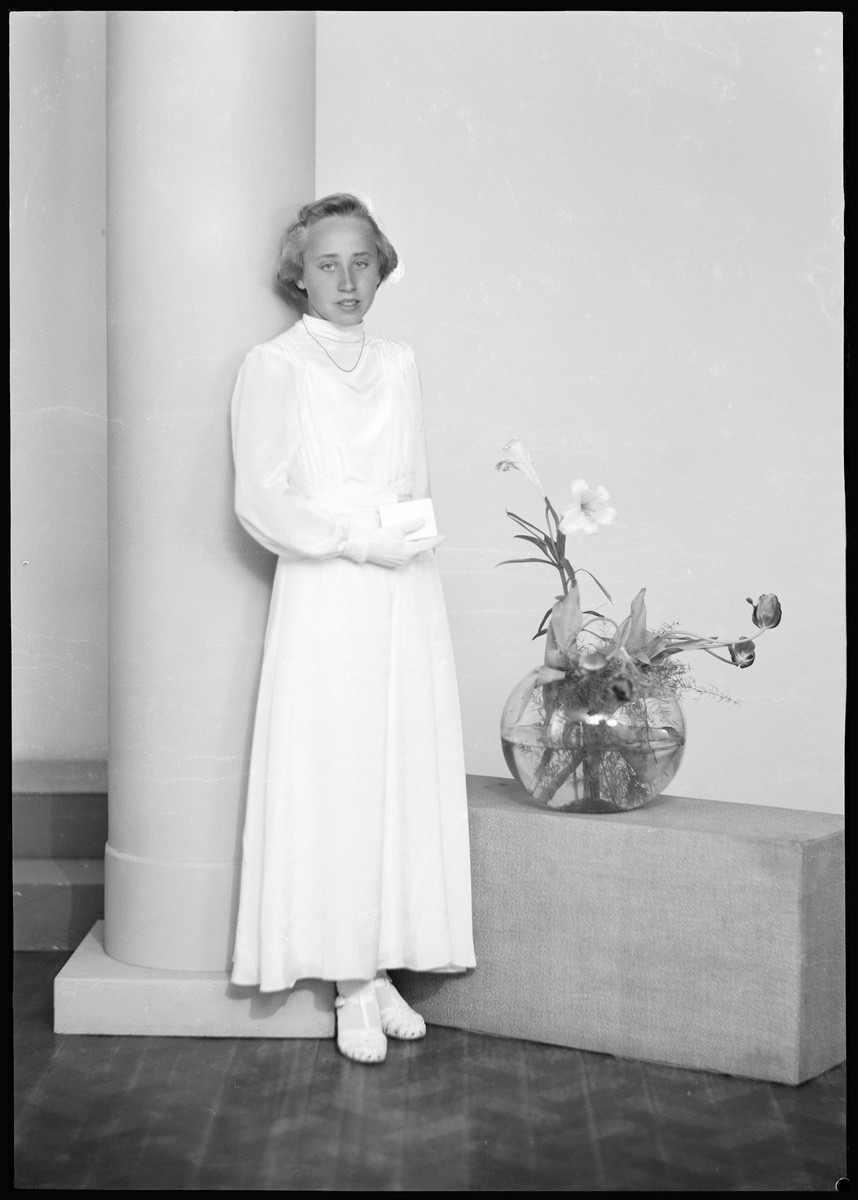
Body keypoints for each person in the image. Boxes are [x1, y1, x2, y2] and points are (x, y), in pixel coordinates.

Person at [229, 194, 476, 1064]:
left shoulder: (399, 361)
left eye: (361, 262)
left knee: (396, 767)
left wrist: (404, 540)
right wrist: (355, 541)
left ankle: (378, 964)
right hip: (328, 585)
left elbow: (412, 478)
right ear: (297, 273)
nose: (346, 280)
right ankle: (349, 983)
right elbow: (262, 499)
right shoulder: (275, 365)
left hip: (403, 585)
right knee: (337, 770)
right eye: (327, 263)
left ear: (382, 268)